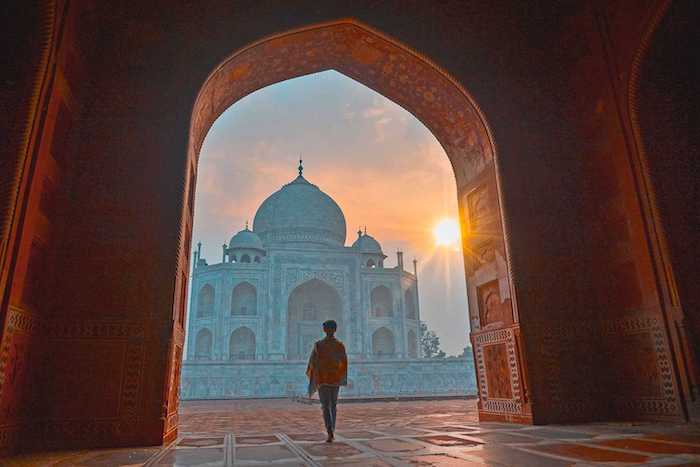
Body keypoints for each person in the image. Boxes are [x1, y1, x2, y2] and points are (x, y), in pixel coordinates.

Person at [306, 320, 347, 442]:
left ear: (325, 330)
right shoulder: (339, 345)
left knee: (326, 406)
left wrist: (314, 376)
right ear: (335, 329)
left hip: (323, 379)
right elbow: (343, 363)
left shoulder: (319, 345)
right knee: (332, 405)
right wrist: (340, 375)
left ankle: (330, 431)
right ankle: (331, 430)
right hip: (334, 379)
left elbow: (312, 362)